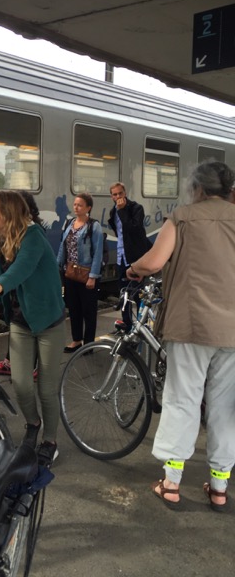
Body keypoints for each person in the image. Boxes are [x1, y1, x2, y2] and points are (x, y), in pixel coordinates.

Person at [126, 161, 235, 511]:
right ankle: (219, 487)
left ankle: (171, 483)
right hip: (232, 332)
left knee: (182, 400)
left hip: (192, 326)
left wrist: (133, 268)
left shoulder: (184, 217)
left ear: (198, 188)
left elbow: (155, 262)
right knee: (225, 409)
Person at [0, 190, 65, 467]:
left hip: (48, 322)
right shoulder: (3, 239)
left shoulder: (34, 236)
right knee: (21, 384)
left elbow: (20, 271)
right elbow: (7, 278)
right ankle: (33, 424)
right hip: (21, 321)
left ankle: (50, 441)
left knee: (47, 389)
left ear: (9, 212)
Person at [0, 190, 44, 375]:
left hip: (27, 296)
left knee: (26, 327)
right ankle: (14, 363)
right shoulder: (6, 235)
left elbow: (20, 269)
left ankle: (30, 367)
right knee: (16, 325)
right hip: (14, 296)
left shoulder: (32, 234)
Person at [57, 193, 104, 353]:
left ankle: (89, 344)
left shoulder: (94, 226)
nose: (76, 207)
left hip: (86, 275)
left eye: (80, 205)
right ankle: (76, 340)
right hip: (70, 273)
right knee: (74, 308)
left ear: (88, 208)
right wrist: (58, 267)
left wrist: (93, 277)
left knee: (89, 311)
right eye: (75, 204)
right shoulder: (70, 223)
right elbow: (63, 247)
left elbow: (98, 253)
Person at [108, 182, 152, 328]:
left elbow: (134, 229)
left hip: (135, 258)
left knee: (138, 293)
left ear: (125, 193)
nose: (118, 196)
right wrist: (118, 211)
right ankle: (126, 323)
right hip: (121, 256)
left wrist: (122, 211)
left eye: (120, 193)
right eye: (115, 194)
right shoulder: (113, 212)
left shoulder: (136, 208)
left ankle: (141, 325)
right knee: (123, 293)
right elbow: (120, 234)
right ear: (112, 197)